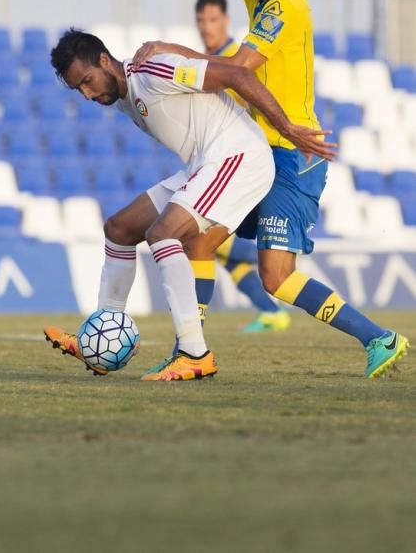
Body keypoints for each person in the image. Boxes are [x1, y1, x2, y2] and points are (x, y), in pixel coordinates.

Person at [132, 0, 409, 378]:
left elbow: (234, 71)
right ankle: (191, 352)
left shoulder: (287, 7)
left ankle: (379, 338)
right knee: (198, 242)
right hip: (254, 151)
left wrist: (172, 51)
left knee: (276, 277)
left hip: (290, 155)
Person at [44, 29, 335, 382]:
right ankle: (102, 333)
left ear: (105, 60)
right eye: (80, 89)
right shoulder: (123, 97)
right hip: (204, 164)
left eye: (88, 81)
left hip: (237, 157)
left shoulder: (152, 72)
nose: (88, 94)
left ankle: (194, 353)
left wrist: (286, 128)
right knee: (119, 229)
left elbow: (236, 74)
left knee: (164, 233)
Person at [195, 0, 290, 333]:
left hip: (246, 165)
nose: (207, 27)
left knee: (207, 238)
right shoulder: (209, 63)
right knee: (213, 243)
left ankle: (195, 331)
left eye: (213, 20)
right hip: (222, 165)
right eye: (202, 20)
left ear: (226, 20)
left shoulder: (236, 60)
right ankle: (269, 311)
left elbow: (254, 106)